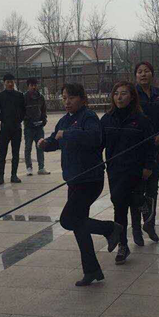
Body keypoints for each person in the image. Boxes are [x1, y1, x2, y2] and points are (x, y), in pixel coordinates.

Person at [39, 83, 121, 286]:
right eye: (64, 98)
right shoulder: (64, 120)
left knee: (68, 220)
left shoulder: (88, 117)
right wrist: (45, 144)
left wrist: (67, 134)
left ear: (82, 99)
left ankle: (110, 228)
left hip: (90, 179)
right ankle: (92, 270)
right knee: (79, 225)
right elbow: (55, 140)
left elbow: (94, 138)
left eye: (71, 98)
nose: (67, 102)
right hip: (74, 180)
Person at [101, 82, 155, 264]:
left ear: (132, 97)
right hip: (114, 170)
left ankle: (122, 245)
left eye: (123, 93)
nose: (119, 97)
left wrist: (149, 166)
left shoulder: (141, 120)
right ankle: (143, 205)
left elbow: (150, 146)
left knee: (120, 204)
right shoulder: (107, 119)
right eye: (116, 93)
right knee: (119, 204)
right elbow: (98, 142)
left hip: (134, 169)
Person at [133, 61, 159, 243]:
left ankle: (150, 224)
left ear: (152, 74)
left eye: (146, 71)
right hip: (137, 147)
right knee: (136, 188)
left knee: (152, 187)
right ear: (135, 75)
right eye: (140, 72)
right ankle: (136, 229)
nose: (143, 74)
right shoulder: (132, 94)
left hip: (155, 146)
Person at [0, 73, 26, 185]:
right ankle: (0, 176)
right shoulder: (0, 96)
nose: (10, 84)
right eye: (8, 82)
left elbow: (23, 110)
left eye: (12, 82)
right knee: (2, 153)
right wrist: (4, 119)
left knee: (15, 153)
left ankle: (14, 175)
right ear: (4, 83)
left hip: (16, 128)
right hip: (5, 128)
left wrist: (19, 120)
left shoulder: (19, 95)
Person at [23, 78, 50, 176]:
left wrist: (44, 119)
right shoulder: (24, 98)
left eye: (35, 85)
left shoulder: (40, 97)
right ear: (28, 86)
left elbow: (43, 110)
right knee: (28, 147)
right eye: (32, 85)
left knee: (40, 146)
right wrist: (27, 120)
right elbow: (21, 112)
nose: (34, 87)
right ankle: (29, 167)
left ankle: (41, 167)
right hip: (29, 127)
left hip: (39, 127)